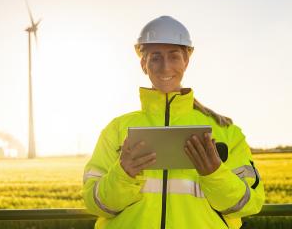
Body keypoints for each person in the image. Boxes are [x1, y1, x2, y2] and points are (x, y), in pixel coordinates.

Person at [82, 15, 265, 229]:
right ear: (144, 63)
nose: (165, 67)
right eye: (155, 57)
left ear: (186, 60)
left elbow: (250, 203)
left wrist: (215, 173)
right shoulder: (115, 130)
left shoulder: (227, 132)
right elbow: (94, 203)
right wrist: (123, 173)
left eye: (174, 56)